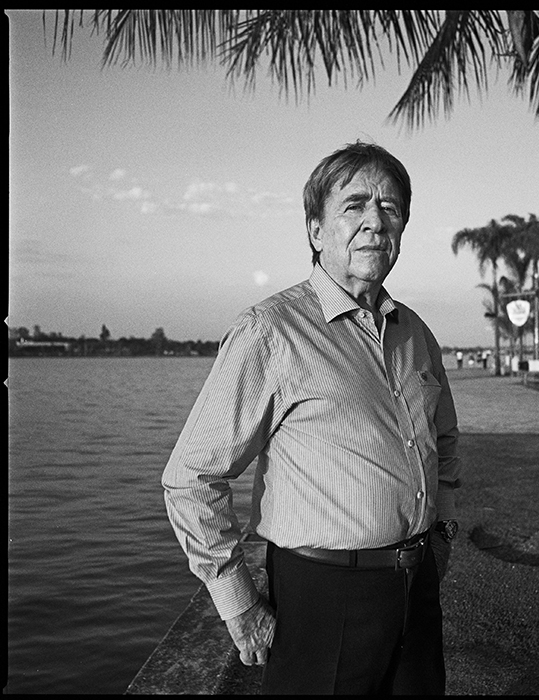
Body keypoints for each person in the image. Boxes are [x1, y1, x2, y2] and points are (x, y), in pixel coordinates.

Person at [162, 141, 462, 695]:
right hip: (321, 598)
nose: (375, 220)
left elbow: (444, 440)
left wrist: (441, 531)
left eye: (390, 208)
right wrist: (238, 601)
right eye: (354, 206)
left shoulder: (416, 333)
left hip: (416, 587)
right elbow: (192, 476)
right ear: (315, 231)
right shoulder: (271, 331)